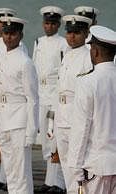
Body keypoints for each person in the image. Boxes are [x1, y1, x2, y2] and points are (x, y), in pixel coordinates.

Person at [67, 25, 116, 194]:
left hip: (96, 166)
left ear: (94, 52)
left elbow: (81, 129)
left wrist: (76, 169)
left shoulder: (88, 82)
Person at [0, 16, 39, 194]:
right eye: (6, 33)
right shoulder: (3, 58)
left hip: (19, 122)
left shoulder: (25, 62)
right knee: (11, 173)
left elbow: (33, 99)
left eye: (13, 34)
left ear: (20, 35)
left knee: (21, 174)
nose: (9, 37)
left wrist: (31, 132)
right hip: (4, 121)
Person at [55, 15, 93, 194]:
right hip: (62, 118)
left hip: (77, 119)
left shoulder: (88, 57)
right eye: (69, 32)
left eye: (76, 32)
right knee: (67, 168)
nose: (71, 36)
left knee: (79, 168)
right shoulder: (66, 56)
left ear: (86, 33)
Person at [32, 5, 67, 194]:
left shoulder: (63, 43)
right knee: (45, 139)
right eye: (47, 23)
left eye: (53, 23)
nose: (50, 26)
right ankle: (49, 180)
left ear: (58, 24)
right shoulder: (38, 42)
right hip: (41, 92)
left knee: (54, 138)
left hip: (55, 92)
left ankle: (58, 182)